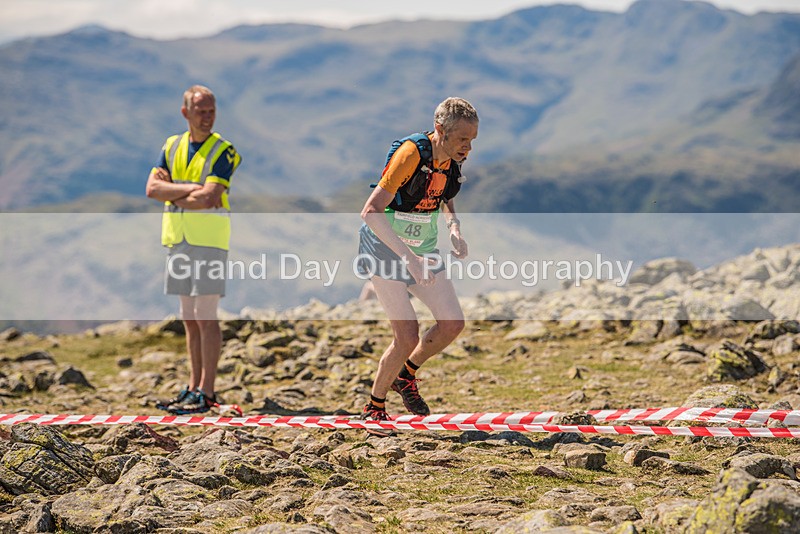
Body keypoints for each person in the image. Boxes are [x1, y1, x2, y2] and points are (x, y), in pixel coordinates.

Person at [357, 97, 479, 432]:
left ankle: (405, 375)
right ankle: (374, 405)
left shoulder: (452, 158)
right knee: (406, 335)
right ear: (440, 130)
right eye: (462, 139)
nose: (468, 148)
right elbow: (370, 212)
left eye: (472, 140)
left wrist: (454, 229)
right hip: (384, 250)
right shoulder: (411, 154)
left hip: (422, 248)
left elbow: (445, 196)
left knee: (452, 323)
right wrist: (408, 260)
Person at [145, 85, 242, 415]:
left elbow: (209, 197)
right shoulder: (172, 146)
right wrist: (189, 190)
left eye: (212, 111)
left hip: (209, 240)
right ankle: (193, 386)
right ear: (185, 112)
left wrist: (172, 191)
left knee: (206, 316)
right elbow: (151, 189)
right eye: (201, 111)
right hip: (178, 239)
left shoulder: (224, 151)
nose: (207, 117)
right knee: (189, 317)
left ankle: (208, 391)